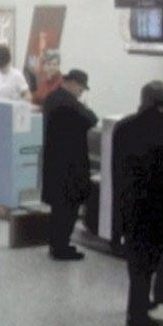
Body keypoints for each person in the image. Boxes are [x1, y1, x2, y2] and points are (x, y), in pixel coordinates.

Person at [113, 81, 163, 326]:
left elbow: (117, 170)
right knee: (150, 261)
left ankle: (139, 303)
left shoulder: (123, 128)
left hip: (130, 204)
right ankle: (138, 313)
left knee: (136, 262)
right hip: (157, 209)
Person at [42, 69, 98, 260]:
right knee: (69, 208)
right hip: (71, 165)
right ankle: (61, 247)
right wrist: (85, 107)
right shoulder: (70, 103)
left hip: (54, 161)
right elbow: (92, 119)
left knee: (58, 208)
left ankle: (55, 244)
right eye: (81, 88)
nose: (81, 92)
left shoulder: (51, 99)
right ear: (73, 83)